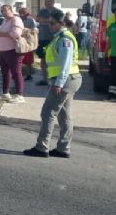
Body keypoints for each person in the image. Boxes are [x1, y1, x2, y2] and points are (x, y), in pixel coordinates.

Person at [24, 8, 82, 158]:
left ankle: (42, 147)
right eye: (48, 23)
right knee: (64, 115)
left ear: (60, 23)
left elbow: (66, 63)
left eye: (52, 23)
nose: (49, 25)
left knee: (48, 113)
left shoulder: (65, 39)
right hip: (70, 79)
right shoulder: (59, 37)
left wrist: (59, 83)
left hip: (65, 80)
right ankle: (63, 148)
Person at [0, 4, 25, 103]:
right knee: (5, 73)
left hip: (12, 50)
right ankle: (5, 93)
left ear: (11, 10)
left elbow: (16, 34)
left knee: (16, 72)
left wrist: (0, 34)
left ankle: (19, 95)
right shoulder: (5, 21)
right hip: (3, 50)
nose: (3, 13)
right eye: (2, 11)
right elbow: (5, 33)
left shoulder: (16, 20)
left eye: (5, 10)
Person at [35, 0, 57, 85]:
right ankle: (45, 80)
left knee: (53, 60)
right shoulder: (42, 11)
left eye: (48, 1)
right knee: (43, 60)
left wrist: (44, 20)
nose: (46, 3)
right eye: (45, 2)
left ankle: (54, 80)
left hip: (53, 39)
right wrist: (49, 20)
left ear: (53, 2)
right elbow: (37, 19)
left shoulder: (57, 11)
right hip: (43, 38)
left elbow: (58, 21)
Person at [18, 7, 37, 81]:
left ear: (27, 13)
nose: (22, 14)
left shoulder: (31, 20)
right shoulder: (18, 20)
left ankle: (29, 75)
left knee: (28, 60)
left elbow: (34, 31)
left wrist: (26, 31)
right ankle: (19, 74)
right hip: (19, 42)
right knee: (19, 59)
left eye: (24, 12)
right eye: (21, 13)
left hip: (28, 42)